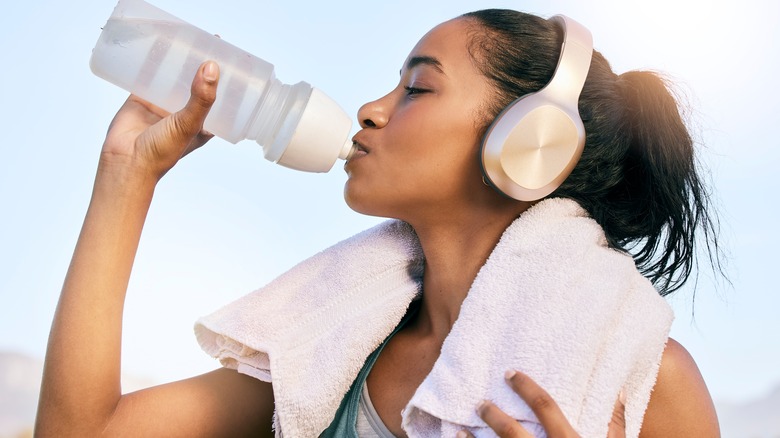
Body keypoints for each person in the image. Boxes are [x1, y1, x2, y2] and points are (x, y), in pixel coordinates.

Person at [35, 8, 722, 438]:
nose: (369, 108)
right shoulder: (332, 354)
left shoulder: (647, 380)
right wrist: (126, 175)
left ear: (528, 142)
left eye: (417, 88)